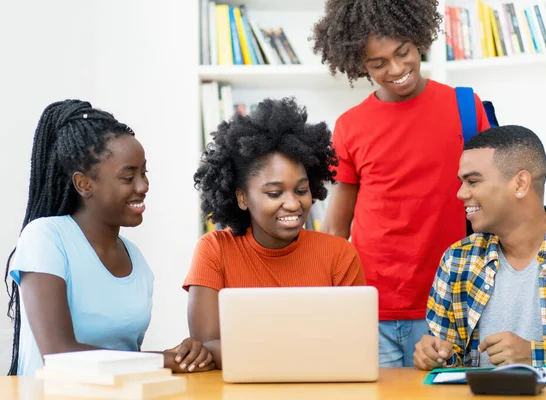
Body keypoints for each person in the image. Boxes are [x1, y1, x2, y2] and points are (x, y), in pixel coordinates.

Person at [311, 0, 490, 367]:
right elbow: (335, 227)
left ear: (416, 37)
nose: (396, 69)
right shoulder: (350, 126)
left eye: (403, 53)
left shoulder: (465, 107)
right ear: (359, 65)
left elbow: (493, 202)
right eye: (378, 63)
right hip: (370, 304)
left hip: (448, 303)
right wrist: (325, 303)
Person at [6, 100, 212, 376]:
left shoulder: (136, 259)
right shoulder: (45, 238)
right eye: (128, 177)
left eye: (144, 173)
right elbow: (57, 353)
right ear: (84, 184)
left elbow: (126, 360)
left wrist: (185, 354)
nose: (143, 186)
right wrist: (164, 360)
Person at [184, 97, 366, 370]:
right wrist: (305, 353)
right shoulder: (214, 250)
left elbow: (355, 347)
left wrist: (251, 350)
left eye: (301, 190)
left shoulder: (339, 254)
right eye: (274, 193)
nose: (293, 204)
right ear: (242, 198)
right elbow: (206, 346)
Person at [414, 125, 546, 370]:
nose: (461, 193)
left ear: (520, 184)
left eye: (472, 181)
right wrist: (436, 355)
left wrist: (536, 354)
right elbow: (450, 358)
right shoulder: (456, 260)